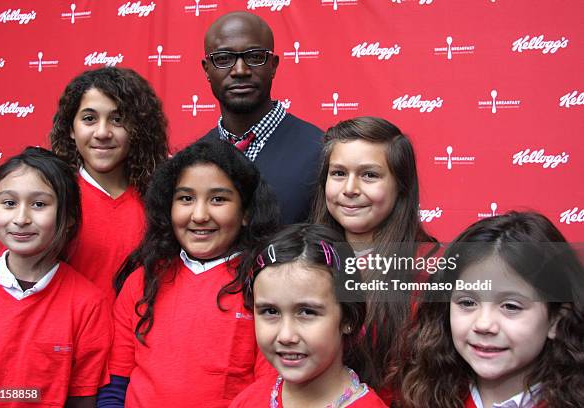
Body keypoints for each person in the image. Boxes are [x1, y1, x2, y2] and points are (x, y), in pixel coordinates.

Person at [97, 140, 280, 407]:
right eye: (186, 198)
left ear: (246, 212)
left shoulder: (264, 284)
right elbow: (116, 385)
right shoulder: (142, 281)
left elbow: (270, 392)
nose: (199, 215)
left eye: (218, 199)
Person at [395, 212, 584, 408]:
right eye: (467, 303)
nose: (484, 324)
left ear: (555, 320)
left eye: (511, 306)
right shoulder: (418, 396)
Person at [0, 147, 112, 408]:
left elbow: (82, 399)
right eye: (9, 203)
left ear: (68, 217)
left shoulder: (87, 305)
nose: (21, 219)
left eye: (39, 204)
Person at [311, 116, 437, 393]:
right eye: (339, 173)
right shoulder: (306, 258)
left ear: (401, 186)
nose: (350, 189)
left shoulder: (430, 269)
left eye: (370, 175)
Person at [230, 224, 387, 407]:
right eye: (270, 311)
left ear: (348, 318)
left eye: (307, 312)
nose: (286, 336)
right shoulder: (248, 401)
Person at [50, 67, 169, 303]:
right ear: (71, 129)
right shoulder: (54, 197)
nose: (102, 132)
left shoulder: (163, 199)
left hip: (139, 336)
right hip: (74, 337)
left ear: (137, 128)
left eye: (117, 119)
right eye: (89, 119)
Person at [201, 11, 323, 225]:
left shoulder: (321, 151)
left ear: (273, 65)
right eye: (223, 59)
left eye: (255, 56)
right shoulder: (195, 157)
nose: (240, 70)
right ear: (207, 69)